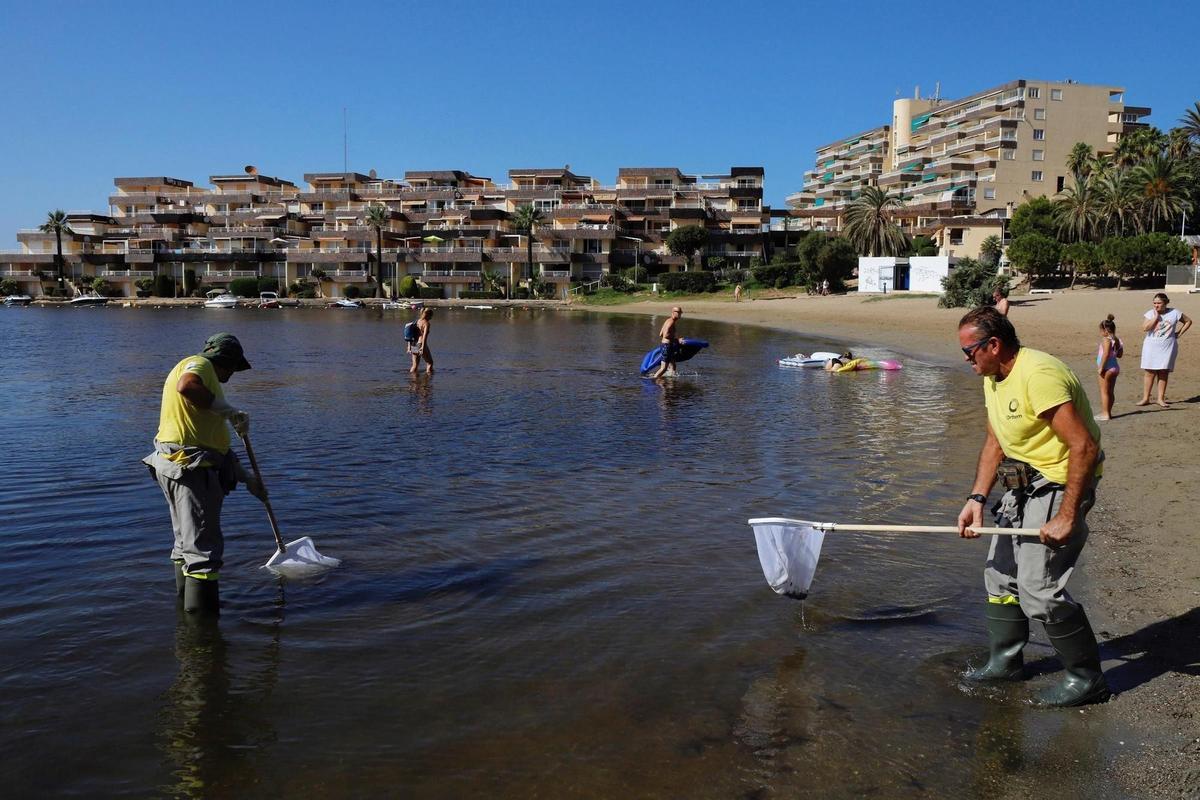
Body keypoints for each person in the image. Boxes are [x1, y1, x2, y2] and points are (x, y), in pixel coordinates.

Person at [955, 307, 1109, 707]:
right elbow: (996, 441)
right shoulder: (992, 377)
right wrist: (976, 499)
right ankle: (1006, 663)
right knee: (999, 576)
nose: (967, 360)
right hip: (1022, 482)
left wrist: (1067, 515)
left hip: (1061, 481)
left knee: (1038, 588)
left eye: (969, 352)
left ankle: (1087, 679)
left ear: (993, 345)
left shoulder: (1038, 375)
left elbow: (1084, 446)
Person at [143, 333, 268, 615]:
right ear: (225, 361)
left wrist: (248, 479)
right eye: (232, 368)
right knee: (203, 550)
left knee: (185, 544)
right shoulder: (199, 366)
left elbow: (211, 442)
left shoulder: (191, 370)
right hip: (191, 470)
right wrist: (228, 411)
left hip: (175, 465)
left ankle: (186, 617)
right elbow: (187, 387)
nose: (231, 376)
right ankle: (203, 627)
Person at [1136, 292, 1191, 407]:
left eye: (1159, 303)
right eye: (1154, 303)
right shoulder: (1150, 313)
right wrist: (1155, 318)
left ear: (1165, 303)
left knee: (1163, 372)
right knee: (1149, 372)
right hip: (1151, 346)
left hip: (1168, 346)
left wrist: (1179, 333)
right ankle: (1146, 398)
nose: (1156, 305)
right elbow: (1145, 328)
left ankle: (1160, 399)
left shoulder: (1175, 312)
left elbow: (1188, 321)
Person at [1095, 314, 1123, 420]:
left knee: (1104, 391)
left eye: (1100, 330)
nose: (1100, 333)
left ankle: (1105, 414)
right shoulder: (1117, 340)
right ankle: (1108, 412)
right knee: (1110, 392)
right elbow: (1119, 355)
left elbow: (1106, 354)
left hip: (1107, 369)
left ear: (1105, 330)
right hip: (1115, 368)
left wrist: (1101, 367)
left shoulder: (1106, 340)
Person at [651, 306, 683, 379]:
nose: (680, 314)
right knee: (664, 368)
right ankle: (653, 380)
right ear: (673, 312)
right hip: (666, 346)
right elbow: (665, 335)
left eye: (680, 312)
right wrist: (677, 340)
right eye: (678, 312)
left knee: (673, 365)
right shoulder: (671, 322)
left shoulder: (668, 320)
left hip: (667, 346)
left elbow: (660, 334)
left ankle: (671, 380)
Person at [409, 308, 434, 375]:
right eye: (431, 316)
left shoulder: (417, 321)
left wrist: (409, 346)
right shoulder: (426, 323)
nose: (431, 318)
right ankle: (428, 379)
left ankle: (412, 379)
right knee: (430, 363)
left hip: (414, 344)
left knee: (415, 365)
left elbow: (411, 334)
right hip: (421, 344)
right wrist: (423, 347)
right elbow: (424, 336)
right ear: (428, 315)